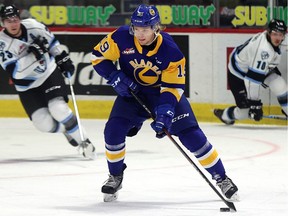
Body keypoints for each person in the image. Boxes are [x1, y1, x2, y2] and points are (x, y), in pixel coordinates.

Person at [91, 4, 238, 202]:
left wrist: (165, 114)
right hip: (133, 94)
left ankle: (221, 177)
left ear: (156, 28)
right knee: (113, 130)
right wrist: (115, 76)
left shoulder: (170, 51)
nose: (140, 34)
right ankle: (115, 176)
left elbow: (172, 88)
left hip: (162, 95)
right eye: (136, 28)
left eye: (145, 29)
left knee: (191, 136)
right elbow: (98, 57)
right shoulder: (121, 36)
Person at [0, 5, 95, 158]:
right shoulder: (2, 43)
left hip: (48, 73)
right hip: (27, 86)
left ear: (19, 19)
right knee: (43, 124)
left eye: (15, 19)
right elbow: (16, 72)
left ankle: (85, 142)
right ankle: (66, 130)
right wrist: (33, 55)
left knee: (58, 108)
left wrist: (62, 58)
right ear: (2, 23)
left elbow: (52, 43)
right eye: (8, 20)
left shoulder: (34, 26)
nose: (13, 23)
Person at [214, 19, 287, 125]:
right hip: (239, 73)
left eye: (281, 35)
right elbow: (252, 81)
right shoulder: (263, 50)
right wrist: (254, 104)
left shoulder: (282, 40)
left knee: (279, 85)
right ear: (268, 32)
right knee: (244, 113)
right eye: (275, 34)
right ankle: (224, 115)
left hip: (259, 67)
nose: (278, 38)